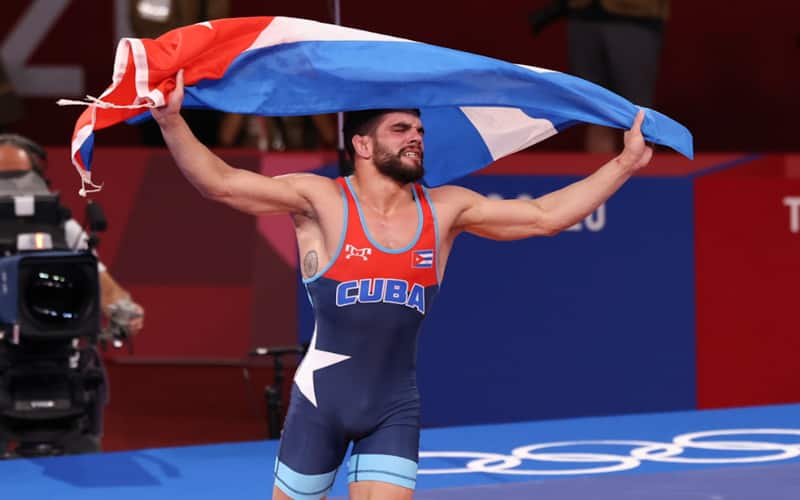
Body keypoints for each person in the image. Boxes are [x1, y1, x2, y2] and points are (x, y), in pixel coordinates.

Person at [151, 70, 653, 500]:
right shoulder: (320, 200)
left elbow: (543, 216)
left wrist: (624, 163)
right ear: (363, 145)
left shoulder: (445, 209)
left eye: (418, 128)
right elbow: (219, 181)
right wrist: (171, 120)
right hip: (320, 405)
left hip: (394, 407)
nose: (415, 136)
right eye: (400, 128)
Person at [0, 133, 144, 455]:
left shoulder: (62, 226)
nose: (13, 188)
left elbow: (98, 277)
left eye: (20, 178)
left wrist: (123, 309)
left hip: (58, 350)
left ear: (39, 177)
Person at [530, 0, 670, 152]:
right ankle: (603, 173)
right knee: (595, 110)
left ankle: (643, 173)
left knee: (639, 112)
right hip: (583, 15)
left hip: (635, 16)